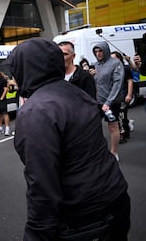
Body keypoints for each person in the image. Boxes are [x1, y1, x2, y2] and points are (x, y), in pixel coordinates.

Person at [7, 37, 130, 241]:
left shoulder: (37, 110)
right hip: (115, 195)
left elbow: (42, 185)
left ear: (25, 69)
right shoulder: (74, 92)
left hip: (85, 216)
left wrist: (36, 234)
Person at [91, 41, 125, 161]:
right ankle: (98, 151)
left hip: (111, 102)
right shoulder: (96, 65)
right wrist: (91, 75)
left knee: (112, 127)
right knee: (93, 126)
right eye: (96, 51)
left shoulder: (116, 63)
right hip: (98, 101)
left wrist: (108, 102)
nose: (98, 53)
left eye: (100, 51)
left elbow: (117, 83)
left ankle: (114, 152)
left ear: (106, 50)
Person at [111, 51, 133, 144]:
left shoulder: (125, 68)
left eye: (114, 58)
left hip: (123, 95)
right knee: (117, 116)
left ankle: (122, 135)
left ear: (119, 59)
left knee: (121, 116)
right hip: (113, 97)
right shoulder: (111, 70)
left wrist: (129, 94)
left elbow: (130, 81)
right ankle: (127, 127)